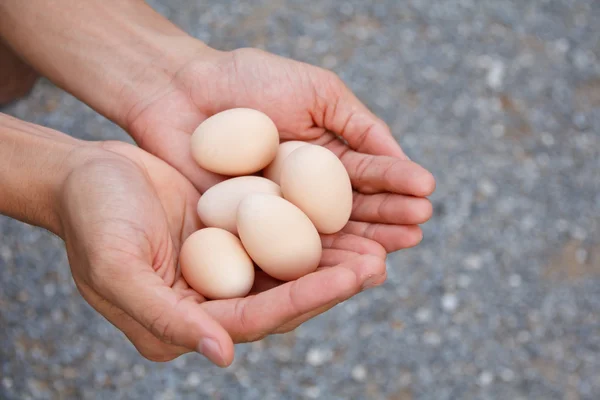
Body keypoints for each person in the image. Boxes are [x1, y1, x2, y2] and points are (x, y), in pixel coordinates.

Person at [0, 0, 435, 367]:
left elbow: (264, 202)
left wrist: (166, 74)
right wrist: (53, 179)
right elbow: (258, 204)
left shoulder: (263, 190)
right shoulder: (255, 196)